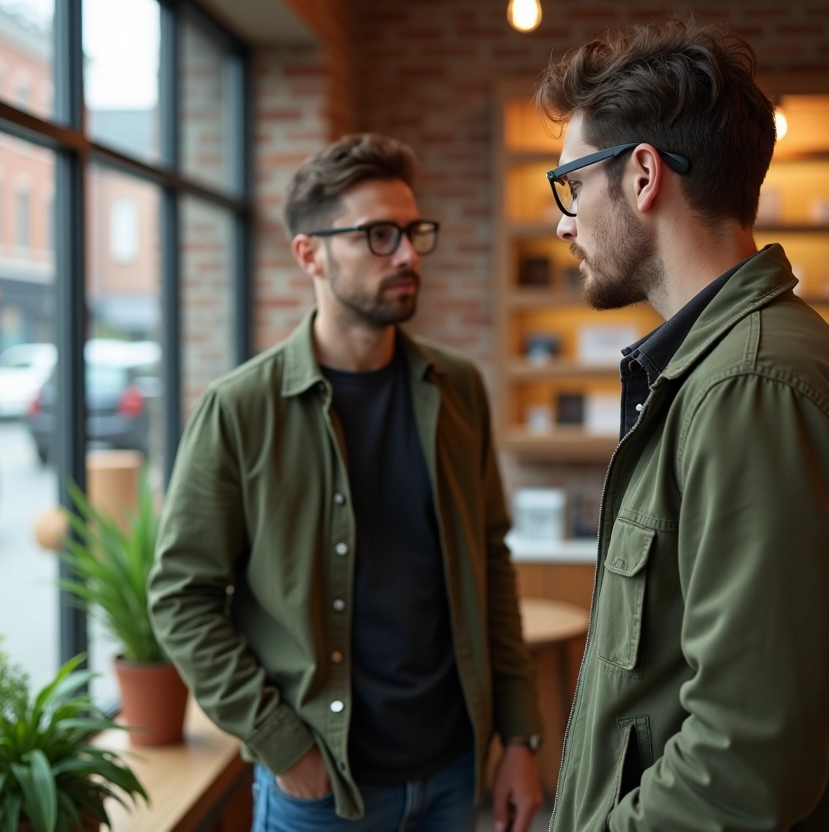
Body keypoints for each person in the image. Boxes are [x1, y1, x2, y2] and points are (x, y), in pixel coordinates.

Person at [535, 19, 829, 832]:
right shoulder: (731, 367)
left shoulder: (751, 386)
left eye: (572, 183)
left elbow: (746, 760)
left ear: (643, 175)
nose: (563, 223)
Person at [149, 133, 544, 832]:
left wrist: (518, 737)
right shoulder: (241, 408)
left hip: (453, 773)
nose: (408, 254)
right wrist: (282, 746)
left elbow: (490, 562)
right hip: (321, 791)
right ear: (311, 254)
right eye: (379, 236)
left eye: (414, 232)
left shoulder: (457, 388)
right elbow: (183, 598)